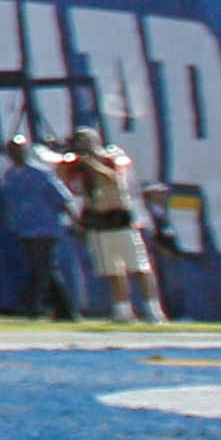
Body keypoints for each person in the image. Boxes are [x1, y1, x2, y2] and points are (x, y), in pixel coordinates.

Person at [68, 128, 161, 322]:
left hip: (121, 218)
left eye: (86, 140)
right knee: (111, 269)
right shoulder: (79, 166)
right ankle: (122, 310)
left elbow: (114, 177)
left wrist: (91, 162)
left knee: (139, 266)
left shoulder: (113, 155)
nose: (82, 144)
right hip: (99, 221)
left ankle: (152, 308)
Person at [0, 131, 78, 321]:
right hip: (25, 228)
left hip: (45, 227)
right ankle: (66, 311)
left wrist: (75, 221)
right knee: (47, 270)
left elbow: (63, 199)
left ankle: (34, 307)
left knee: (42, 268)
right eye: (13, 150)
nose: (17, 154)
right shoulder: (10, 175)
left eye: (20, 149)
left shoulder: (41, 173)